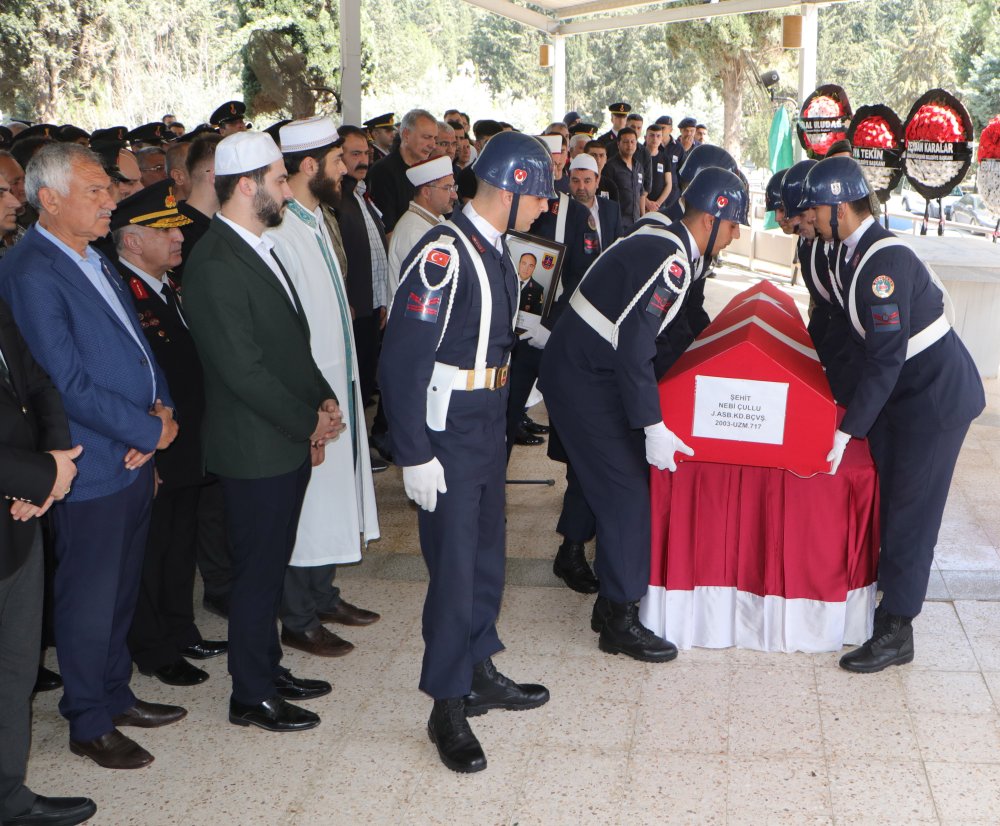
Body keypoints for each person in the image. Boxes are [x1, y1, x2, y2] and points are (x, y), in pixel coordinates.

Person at [0, 142, 184, 770]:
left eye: (110, 189)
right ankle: (88, 718)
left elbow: (136, 346)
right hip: (91, 462)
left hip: (133, 451)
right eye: (96, 192)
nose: (111, 201)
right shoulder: (30, 271)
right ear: (48, 200)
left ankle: (113, 691)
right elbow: (64, 382)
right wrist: (140, 430)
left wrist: (160, 415)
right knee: (89, 596)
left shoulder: (94, 257)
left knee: (121, 588)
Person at [378, 131, 551, 774]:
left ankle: (478, 668)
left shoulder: (496, 248)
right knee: (452, 570)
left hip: (483, 422)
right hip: (447, 428)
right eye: (536, 196)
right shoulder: (445, 253)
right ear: (509, 190)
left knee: (484, 558)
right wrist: (414, 453)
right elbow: (401, 362)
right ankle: (446, 702)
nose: (541, 209)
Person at [540, 167, 749, 661]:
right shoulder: (673, 260)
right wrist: (652, 427)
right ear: (713, 218)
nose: (738, 233)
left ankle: (610, 602)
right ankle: (619, 619)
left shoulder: (670, 246)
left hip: (588, 369)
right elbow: (636, 346)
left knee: (623, 486)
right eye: (735, 222)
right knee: (628, 494)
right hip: (583, 378)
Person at [182, 131, 345, 732]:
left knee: (271, 566)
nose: (286, 187)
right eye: (278, 179)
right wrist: (307, 419)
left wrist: (322, 399)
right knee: (255, 574)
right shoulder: (215, 263)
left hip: (280, 439)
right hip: (254, 448)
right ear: (246, 185)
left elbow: (289, 343)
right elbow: (242, 372)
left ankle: (268, 667)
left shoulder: (257, 246)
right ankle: (250, 695)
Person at [798, 156, 985, 673]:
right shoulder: (850, 253)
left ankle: (897, 629)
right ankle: (882, 601)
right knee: (891, 502)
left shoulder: (882, 261)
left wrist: (850, 427)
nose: (809, 217)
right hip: (903, 395)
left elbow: (885, 357)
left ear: (840, 207)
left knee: (910, 512)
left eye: (816, 208)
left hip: (933, 400)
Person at [0, 168, 97, 826]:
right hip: (19, 489)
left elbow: (35, 378)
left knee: (13, 666)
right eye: (4, 191)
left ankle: (8, 794)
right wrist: (38, 476)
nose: (15, 202)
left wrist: (54, 463)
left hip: (20, 509)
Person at [267, 117, 381, 659]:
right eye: (337, 161)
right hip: (311, 398)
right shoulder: (282, 231)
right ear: (309, 165)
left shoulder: (315, 220)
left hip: (339, 383)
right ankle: (300, 616)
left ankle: (323, 593)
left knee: (333, 495)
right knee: (309, 505)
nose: (345, 170)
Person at [110, 181, 227, 689]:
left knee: (180, 546)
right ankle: (154, 648)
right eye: (166, 230)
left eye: (179, 226)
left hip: (185, 443)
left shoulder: (164, 286)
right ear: (133, 241)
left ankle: (181, 631)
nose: (180, 236)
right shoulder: (123, 292)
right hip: (151, 447)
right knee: (152, 551)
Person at [336, 126, 390, 410]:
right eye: (354, 154)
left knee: (366, 380)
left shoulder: (359, 194)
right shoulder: (335, 199)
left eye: (366, 153)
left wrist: (381, 301)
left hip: (371, 307)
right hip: (353, 308)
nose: (364, 160)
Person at [387, 155, 457, 299]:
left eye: (453, 187)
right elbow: (427, 287)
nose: (454, 195)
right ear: (426, 192)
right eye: (447, 188)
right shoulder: (414, 231)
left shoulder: (437, 219)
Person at [366, 108, 437, 233]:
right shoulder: (383, 171)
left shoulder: (429, 171)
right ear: (406, 135)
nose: (433, 145)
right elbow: (387, 229)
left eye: (434, 138)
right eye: (427, 137)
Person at [603, 127, 645, 227]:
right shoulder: (610, 166)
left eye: (632, 142)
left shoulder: (638, 166)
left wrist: (643, 218)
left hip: (636, 222)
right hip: (618, 222)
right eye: (626, 142)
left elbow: (641, 193)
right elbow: (605, 197)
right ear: (618, 144)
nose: (630, 145)